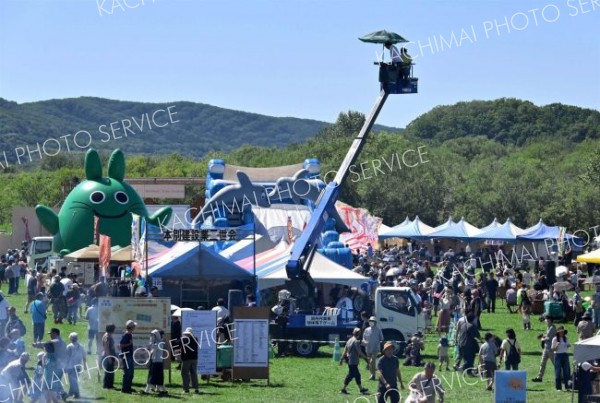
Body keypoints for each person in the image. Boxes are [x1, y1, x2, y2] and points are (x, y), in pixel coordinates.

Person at [339, 328, 369, 395]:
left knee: (357, 375)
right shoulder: (356, 341)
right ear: (359, 334)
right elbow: (360, 352)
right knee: (350, 376)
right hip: (353, 361)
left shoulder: (349, 340)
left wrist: (341, 359)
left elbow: (345, 350)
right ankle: (343, 389)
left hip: (350, 361)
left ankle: (361, 389)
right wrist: (366, 358)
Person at [141, 329, 168, 395]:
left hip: (157, 363)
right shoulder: (156, 343)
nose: (152, 337)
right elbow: (150, 349)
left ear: (157, 336)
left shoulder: (160, 343)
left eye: (153, 335)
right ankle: (164, 391)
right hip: (155, 362)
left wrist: (150, 344)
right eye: (152, 335)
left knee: (152, 378)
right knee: (158, 379)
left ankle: (146, 391)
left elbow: (153, 348)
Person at [532, 315, 557, 382]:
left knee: (555, 363)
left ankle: (561, 376)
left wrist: (542, 339)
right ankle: (539, 377)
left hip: (551, 349)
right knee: (542, 363)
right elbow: (547, 336)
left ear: (550, 320)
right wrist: (543, 335)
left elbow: (549, 338)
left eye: (546, 319)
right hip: (546, 348)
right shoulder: (548, 328)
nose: (545, 320)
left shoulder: (552, 328)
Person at [363, 316, 385, 380]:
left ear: (375, 322)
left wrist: (383, 347)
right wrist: (364, 342)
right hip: (368, 348)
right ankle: (372, 374)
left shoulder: (378, 330)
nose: (371, 322)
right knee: (369, 362)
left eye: (372, 321)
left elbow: (382, 339)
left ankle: (373, 374)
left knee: (373, 361)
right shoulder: (366, 330)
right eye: (370, 321)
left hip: (375, 348)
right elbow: (363, 338)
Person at [65, 332, 86, 399]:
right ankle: (71, 393)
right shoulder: (81, 346)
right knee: (73, 380)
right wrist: (85, 365)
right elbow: (84, 357)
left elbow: (67, 357)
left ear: (71, 338)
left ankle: (76, 394)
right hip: (79, 366)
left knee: (73, 381)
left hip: (71, 366)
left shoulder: (69, 346)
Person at [551, 326, 571, 391]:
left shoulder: (566, 338)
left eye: (563, 332)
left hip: (565, 355)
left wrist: (568, 345)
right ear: (558, 333)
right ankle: (558, 387)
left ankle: (567, 387)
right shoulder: (555, 339)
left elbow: (568, 345)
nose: (562, 333)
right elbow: (553, 349)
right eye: (560, 332)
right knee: (558, 372)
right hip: (558, 355)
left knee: (567, 371)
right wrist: (556, 345)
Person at [180, 327, 200, 394]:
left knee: (184, 373)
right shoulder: (196, 339)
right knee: (193, 373)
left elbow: (177, 344)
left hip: (186, 359)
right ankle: (196, 388)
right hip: (194, 359)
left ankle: (186, 389)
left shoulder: (184, 340)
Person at [119, 320, 136, 394]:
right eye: (134, 326)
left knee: (131, 373)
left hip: (129, 356)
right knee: (127, 372)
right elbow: (121, 345)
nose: (135, 328)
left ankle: (128, 387)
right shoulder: (126, 335)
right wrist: (129, 344)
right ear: (131, 327)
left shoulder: (129, 334)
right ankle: (124, 389)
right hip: (126, 356)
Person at [101, 323, 117, 390]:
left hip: (111, 355)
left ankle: (110, 385)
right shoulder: (106, 336)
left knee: (111, 371)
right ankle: (106, 385)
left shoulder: (109, 336)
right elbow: (106, 348)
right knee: (108, 371)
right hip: (107, 356)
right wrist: (109, 358)